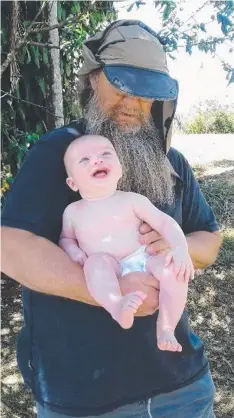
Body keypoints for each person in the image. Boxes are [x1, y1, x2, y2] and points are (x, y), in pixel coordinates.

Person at [1, 20, 222, 418]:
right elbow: (11, 248)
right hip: (84, 398)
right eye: (120, 85)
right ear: (93, 79)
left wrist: (175, 247)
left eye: (145, 93)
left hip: (182, 389)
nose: (132, 102)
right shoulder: (57, 155)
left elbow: (209, 236)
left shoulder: (170, 163)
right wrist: (116, 293)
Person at [60, 134, 194, 352]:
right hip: (109, 266)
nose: (97, 160)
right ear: (72, 183)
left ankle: (167, 328)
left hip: (144, 257)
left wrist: (180, 247)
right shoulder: (73, 212)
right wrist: (72, 250)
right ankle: (116, 305)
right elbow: (66, 238)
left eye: (105, 154)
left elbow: (164, 223)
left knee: (174, 270)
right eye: (85, 160)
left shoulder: (132, 200)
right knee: (95, 264)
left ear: (120, 168)